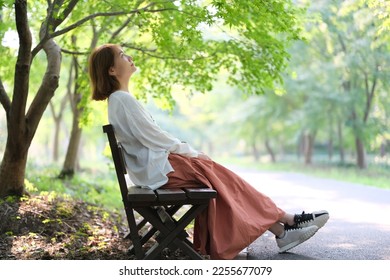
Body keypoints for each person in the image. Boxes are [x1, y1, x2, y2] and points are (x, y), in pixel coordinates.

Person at [88, 43, 329, 260]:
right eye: (122, 55)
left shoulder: (121, 99)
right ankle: (286, 221)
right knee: (220, 177)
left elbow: (150, 136)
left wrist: (189, 153)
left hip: (157, 167)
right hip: (159, 170)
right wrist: (189, 151)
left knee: (222, 178)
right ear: (111, 70)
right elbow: (153, 136)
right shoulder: (121, 99)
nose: (129, 56)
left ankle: (281, 228)